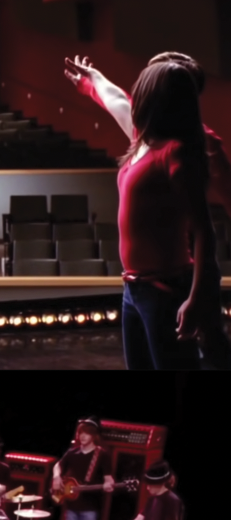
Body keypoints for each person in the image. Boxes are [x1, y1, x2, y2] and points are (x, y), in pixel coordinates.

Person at [65, 51, 231, 370]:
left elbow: (204, 230)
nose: (135, 90)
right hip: (134, 289)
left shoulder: (182, 149)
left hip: (166, 288)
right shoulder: (144, 138)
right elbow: (118, 101)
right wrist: (93, 78)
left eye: (144, 84)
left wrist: (198, 297)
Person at [52, 417, 115, 520]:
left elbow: (108, 478)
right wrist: (57, 477)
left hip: (90, 506)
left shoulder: (102, 455)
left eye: (87, 433)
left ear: (94, 436)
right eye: (81, 433)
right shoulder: (73, 453)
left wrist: (109, 484)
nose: (83, 436)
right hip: (72, 502)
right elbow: (57, 465)